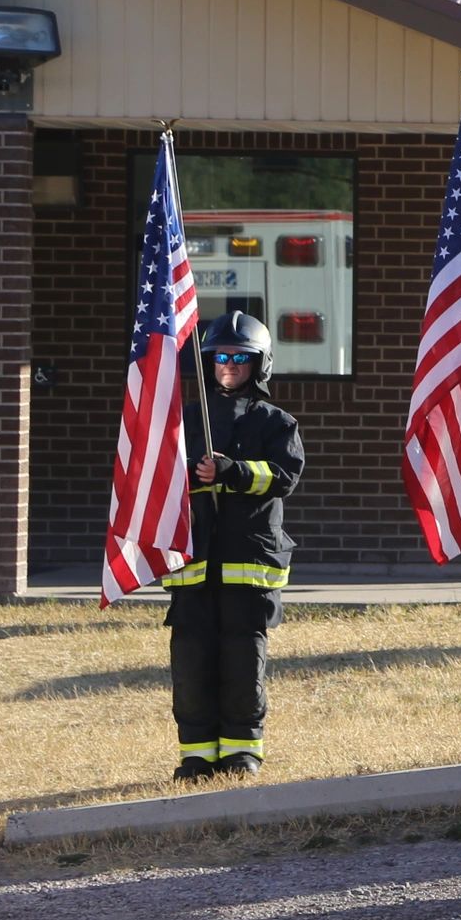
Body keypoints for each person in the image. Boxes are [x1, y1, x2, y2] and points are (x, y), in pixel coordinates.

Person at [164, 312, 304, 781]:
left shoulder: (276, 422)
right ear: (208, 363)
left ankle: (243, 752)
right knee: (192, 663)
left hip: (249, 566)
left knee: (243, 662)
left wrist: (234, 471)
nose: (229, 365)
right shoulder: (181, 421)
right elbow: (157, 481)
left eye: (240, 358)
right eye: (221, 357)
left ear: (259, 364)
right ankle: (197, 754)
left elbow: (285, 477)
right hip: (193, 565)